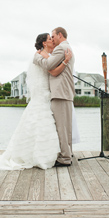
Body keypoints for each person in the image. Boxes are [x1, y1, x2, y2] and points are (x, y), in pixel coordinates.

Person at [0, 34, 72, 170]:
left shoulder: (46, 55)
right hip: (42, 92)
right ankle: (38, 156)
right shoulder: (39, 55)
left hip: (47, 91)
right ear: (44, 43)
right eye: (49, 39)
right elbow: (52, 70)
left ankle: (47, 154)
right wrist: (65, 61)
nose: (52, 41)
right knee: (40, 120)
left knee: (44, 122)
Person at [34, 27, 75, 167]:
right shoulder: (66, 47)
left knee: (61, 127)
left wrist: (38, 57)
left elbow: (49, 65)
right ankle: (68, 153)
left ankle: (65, 157)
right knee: (66, 126)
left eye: (53, 36)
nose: (52, 39)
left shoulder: (60, 48)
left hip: (60, 92)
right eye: (49, 38)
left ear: (60, 35)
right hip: (65, 92)